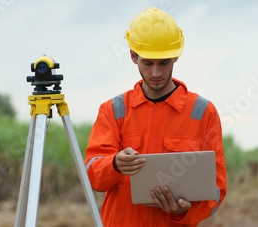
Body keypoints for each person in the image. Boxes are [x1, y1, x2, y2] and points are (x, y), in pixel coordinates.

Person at [85, 7, 226, 226]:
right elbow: (91, 175)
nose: (156, 73)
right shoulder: (113, 110)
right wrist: (114, 164)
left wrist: (182, 211)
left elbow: (216, 191)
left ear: (176, 55)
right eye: (148, 63)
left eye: (164, 63)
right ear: (133, 56)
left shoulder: (203, 112)